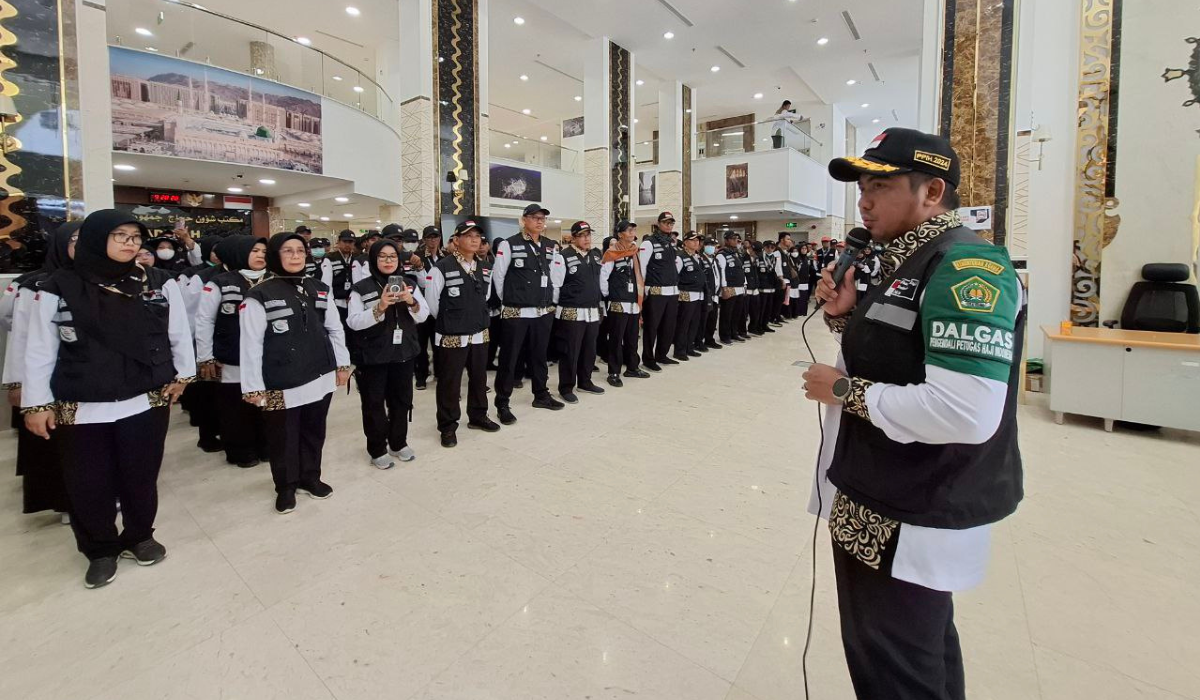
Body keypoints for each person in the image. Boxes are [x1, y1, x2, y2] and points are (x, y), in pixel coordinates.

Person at [803, 127, 1025, 700]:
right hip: (883, 493)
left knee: (896, 667)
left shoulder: (965, 266)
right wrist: (843, 318)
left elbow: (966, 411)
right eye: (861, 187)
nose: (865, 201)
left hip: (913, 506)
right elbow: (903, 357)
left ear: (931, 192)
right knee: (915, 653)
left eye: (879, 185)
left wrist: (843, 390)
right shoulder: (909, 262)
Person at [21, 209, 196, 589]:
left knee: (140, 474)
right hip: (82, 401)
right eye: (120, 235)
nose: (130, 243)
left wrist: (183, 375)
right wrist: (36, 404)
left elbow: (178, 333)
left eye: (135, 237)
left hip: (146, 397)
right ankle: (99, 549)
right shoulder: (57, 287)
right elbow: (39, 350)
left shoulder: (158, 283)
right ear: (95, 239)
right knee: (88, 481)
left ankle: (139, 535)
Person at [240, 232, 351, 515]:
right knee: (283, 437)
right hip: (280, 380)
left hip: (320, 373)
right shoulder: (259, 294)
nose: (295, 256)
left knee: (314, 431)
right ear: (276, 255)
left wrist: (342, 365)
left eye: (300, 251)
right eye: (287, 251)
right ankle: (286, 486)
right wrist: (252, 386)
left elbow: (335, 328)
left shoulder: (319, 288)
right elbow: (251, 344)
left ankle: (310, 477)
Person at [2, 222, 78, 522]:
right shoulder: (35, 284)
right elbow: (21, 337)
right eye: (75, 240)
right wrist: (17, 383)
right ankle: (63, 502)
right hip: (47, 378)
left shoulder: (103, 281)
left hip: (86, 377)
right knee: (53, 443)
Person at [346, 239, 429, 466]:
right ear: (374, 259)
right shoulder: (360, 288)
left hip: (403, 353)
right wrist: (380, 307)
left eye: (392, 256)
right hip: (373, 356)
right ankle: (377, 448)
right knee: (374, 404)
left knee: (402, 401)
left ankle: (398, 442)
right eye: (382, 256)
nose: (388, 260)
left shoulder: (409, 283)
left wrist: (411, 301)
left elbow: (423, 315)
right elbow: (353, 322)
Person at [193, 235, 269, 469]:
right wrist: (205, 356)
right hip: (231, 356)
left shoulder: (273, 280)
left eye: (264, 252)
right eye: (254, 250)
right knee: (235, 408)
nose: (260, 255)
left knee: (265, 406)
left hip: (267, 358)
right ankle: (240, 450)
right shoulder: (220, 283)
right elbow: (204, 320)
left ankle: (265, 446)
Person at [424, 220, 503, 447]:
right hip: (452, 333)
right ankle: (448, 426)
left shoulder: (485, 267)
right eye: (468, 235)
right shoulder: (442, 267)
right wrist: (454, 319)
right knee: (450, 382)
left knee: (479, 378)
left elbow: (486, 298)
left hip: (479, 332)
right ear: (456, 240)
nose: (475, 239)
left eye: (478, 235)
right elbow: (432, 303)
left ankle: (478, 416)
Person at [491, 203, 565, 423]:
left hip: (542, 311)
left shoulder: (551, 245)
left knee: (539, 356)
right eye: (535, 218)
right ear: (524, 220)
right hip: (517, 311)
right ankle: (502, 403)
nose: (540, 222)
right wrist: (512, 300)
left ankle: (541, 394)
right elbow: (499, 277)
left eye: (543, 218)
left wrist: (551, 300)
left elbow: (556, 276)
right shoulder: (509, 244)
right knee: (509, 358)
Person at [550, 221, 606, 402]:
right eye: (582, 235)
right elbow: (556, 286)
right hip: (571, 311)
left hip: (592, 310)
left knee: (589, 349)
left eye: (588, 235)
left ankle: (585, 381)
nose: (586, 238)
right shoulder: (562, 256)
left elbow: (601, 281)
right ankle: (566, 387)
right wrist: (560, 307)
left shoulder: (596, 255)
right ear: (573, 238)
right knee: (570, 351)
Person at [599, 220, 649, 387]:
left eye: (633, 229)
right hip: (618, 301)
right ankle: (614, 372)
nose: (632, 232)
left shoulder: (635, 251)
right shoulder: (611, 253)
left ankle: (632, 368)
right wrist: (610, 295)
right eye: (629, 230)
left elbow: (639, 275)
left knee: (633, 338)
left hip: (633, 302)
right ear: (620, 234)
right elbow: (603, 277)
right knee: (616, 338)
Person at [638, 212, 682, 371]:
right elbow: (641, 268)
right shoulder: (649, 243)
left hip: (671, 292)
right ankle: (648, 359)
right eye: (666, 222)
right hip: (655, 292)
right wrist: (642, 291)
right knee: (652, 327)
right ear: (658, 224)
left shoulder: (671, 242)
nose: (669, 225)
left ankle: (662, 355)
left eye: (671, 223)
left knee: (668, 326)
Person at [413, 226, 445, 390]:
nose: (433, 241)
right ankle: (421, 376)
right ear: (424, 239)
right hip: (422, 306)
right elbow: (421, 283)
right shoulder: (417, 258)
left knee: (439, 343)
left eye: (435, 237)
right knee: (421, 344)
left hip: (441, 307)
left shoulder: (446, 256)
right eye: (429, 238)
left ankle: (440, 372)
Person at [672, 231, 706, 361]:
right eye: (693, 240)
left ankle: (689, 347)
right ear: (685, 242)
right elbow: (676, 276)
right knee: (684, 323)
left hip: (698, 294)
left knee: (694, 322)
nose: (696, 242)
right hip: (686, 294)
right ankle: (679, 350)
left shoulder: (697, 257)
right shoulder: (680, 257)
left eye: (697, 240)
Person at [716, 230, 747, 344]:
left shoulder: (736, 253)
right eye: (733, 239)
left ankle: (734, 333)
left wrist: (744, 284)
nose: (735, 241)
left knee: (736, 313)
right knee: (726, 313)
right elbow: (722, 272)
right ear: (727, 240)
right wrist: (724, 288)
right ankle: (725, 336)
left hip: (739, 287)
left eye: (737, 240)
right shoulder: (721, 254)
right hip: (729, 288)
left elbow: (741, 270)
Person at [698, 237, 723, 351]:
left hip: (715, 293)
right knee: (703, 319)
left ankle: (709, 339)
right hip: (706, 294)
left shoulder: (715, 259)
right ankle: (699, 341)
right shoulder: (700, 258)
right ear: (704, 245)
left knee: (713, 318)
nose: (712, 247)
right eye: (710, 245)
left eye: (714, 245)